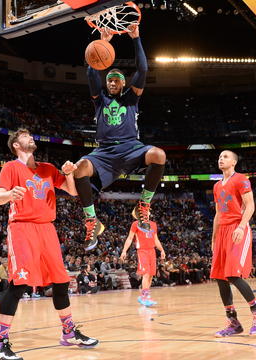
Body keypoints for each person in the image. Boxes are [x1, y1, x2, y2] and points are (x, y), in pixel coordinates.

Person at [0, 128, 98, 360]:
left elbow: (71, 190)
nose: (31, 138)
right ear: (16, 145)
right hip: (22, 227)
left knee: (60, 281)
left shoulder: (47, 168)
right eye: (25, 136)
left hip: (47, 228)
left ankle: (68, 332)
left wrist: (68, 173)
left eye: (31, 135)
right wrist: (10, 194)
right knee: (19, 283)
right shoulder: (11, 167)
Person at [74, 24, 166, 250]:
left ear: (124, 83)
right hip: (104, 153)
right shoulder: (99, 99)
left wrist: (136, 38)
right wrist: (104, 42)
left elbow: (143, 69)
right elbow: (91, 71)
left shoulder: (132, 98)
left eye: (117, 80)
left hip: (131, 148)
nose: (112, 82)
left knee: (158, 155)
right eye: (110, 80)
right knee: (80, 169)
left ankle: (143, 205)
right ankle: (92, 221)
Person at [211, 150, 256, 337]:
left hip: (237, 228)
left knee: (233, 275)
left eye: (225, 156)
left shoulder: (241, 179)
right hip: (222, 232)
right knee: (220, 277)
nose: (221, 159)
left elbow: (250, 205)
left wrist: (241, 227)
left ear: (234, 162)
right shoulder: (217, 186)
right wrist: (213, 238)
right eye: (219, 157)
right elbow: (218, 214)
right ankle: (233, 323)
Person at [120, 219, 166, 307]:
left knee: (151, 275)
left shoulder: (153, 224)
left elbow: (156, 239)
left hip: (152, 251)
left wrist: (162, 250)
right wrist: (124, 251)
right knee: (146, 273)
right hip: (142, 251)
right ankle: (145, 297)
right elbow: (130, 238)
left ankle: (144, 296)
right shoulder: (136, 224)